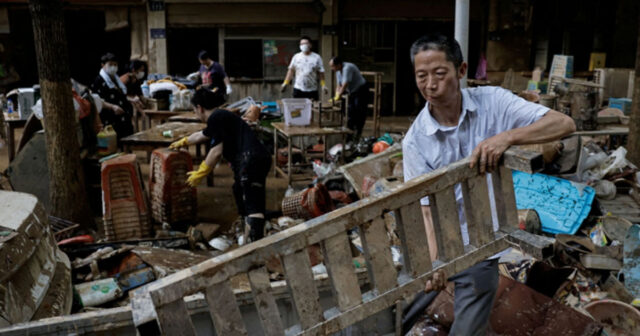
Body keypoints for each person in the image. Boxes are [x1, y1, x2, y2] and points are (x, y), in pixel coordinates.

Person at [402, 34, 575, 334]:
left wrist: (506, 137)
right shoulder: (416, 141)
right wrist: (436, 261)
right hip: (439, 241)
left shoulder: (494, 102)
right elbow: (425, 211)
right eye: (421, 76)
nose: (430, 84)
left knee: (466, 330)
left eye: (439, 73)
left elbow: (564, 124)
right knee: (397, 313)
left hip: (480, 242)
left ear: (461, 70)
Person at [169, 88, 271, 242]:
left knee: (252, 204)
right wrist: (184, 141)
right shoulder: (220, 116)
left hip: (250, 160)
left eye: (194, 110)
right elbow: (203, 135)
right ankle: (248, 234)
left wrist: (201, 172)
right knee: (240, 192)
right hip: (254, 159)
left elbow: (216, 151)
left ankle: (255, 248)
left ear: (199, 108)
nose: (195, 113)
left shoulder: (217, 117)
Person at [91, 52, 134, 139]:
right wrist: (112, 107)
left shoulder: (116, 78)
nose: (113, 67)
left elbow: (121, 95)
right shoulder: (99, 81)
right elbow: (97, 101)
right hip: (110, 118)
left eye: (115, 64)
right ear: (103, 65)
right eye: (110, 64)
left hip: (124, 117)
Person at [329, 56, 367, 141]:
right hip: (351, 91)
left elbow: (345, 84)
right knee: (350, 111)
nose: (331, 68)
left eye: (332, 66)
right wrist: (336, 96)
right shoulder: (338, 71)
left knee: (359, 110)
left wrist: (339, 94)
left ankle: (358, 132)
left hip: (360, 89)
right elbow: (339, 85)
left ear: (338, 65)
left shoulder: (347, 68)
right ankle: (350, 134)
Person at [281, 36, 328, 100]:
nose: (303, 45)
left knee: (312, 108)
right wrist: (285, 83)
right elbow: (291, 71)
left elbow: (321, 72)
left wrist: (323, 85)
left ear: (310, 45)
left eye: (305, 43)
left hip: (312, 89)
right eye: (301, 44)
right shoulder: (296, 57)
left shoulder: (317, 57)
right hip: (298, 89)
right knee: (298, 109)